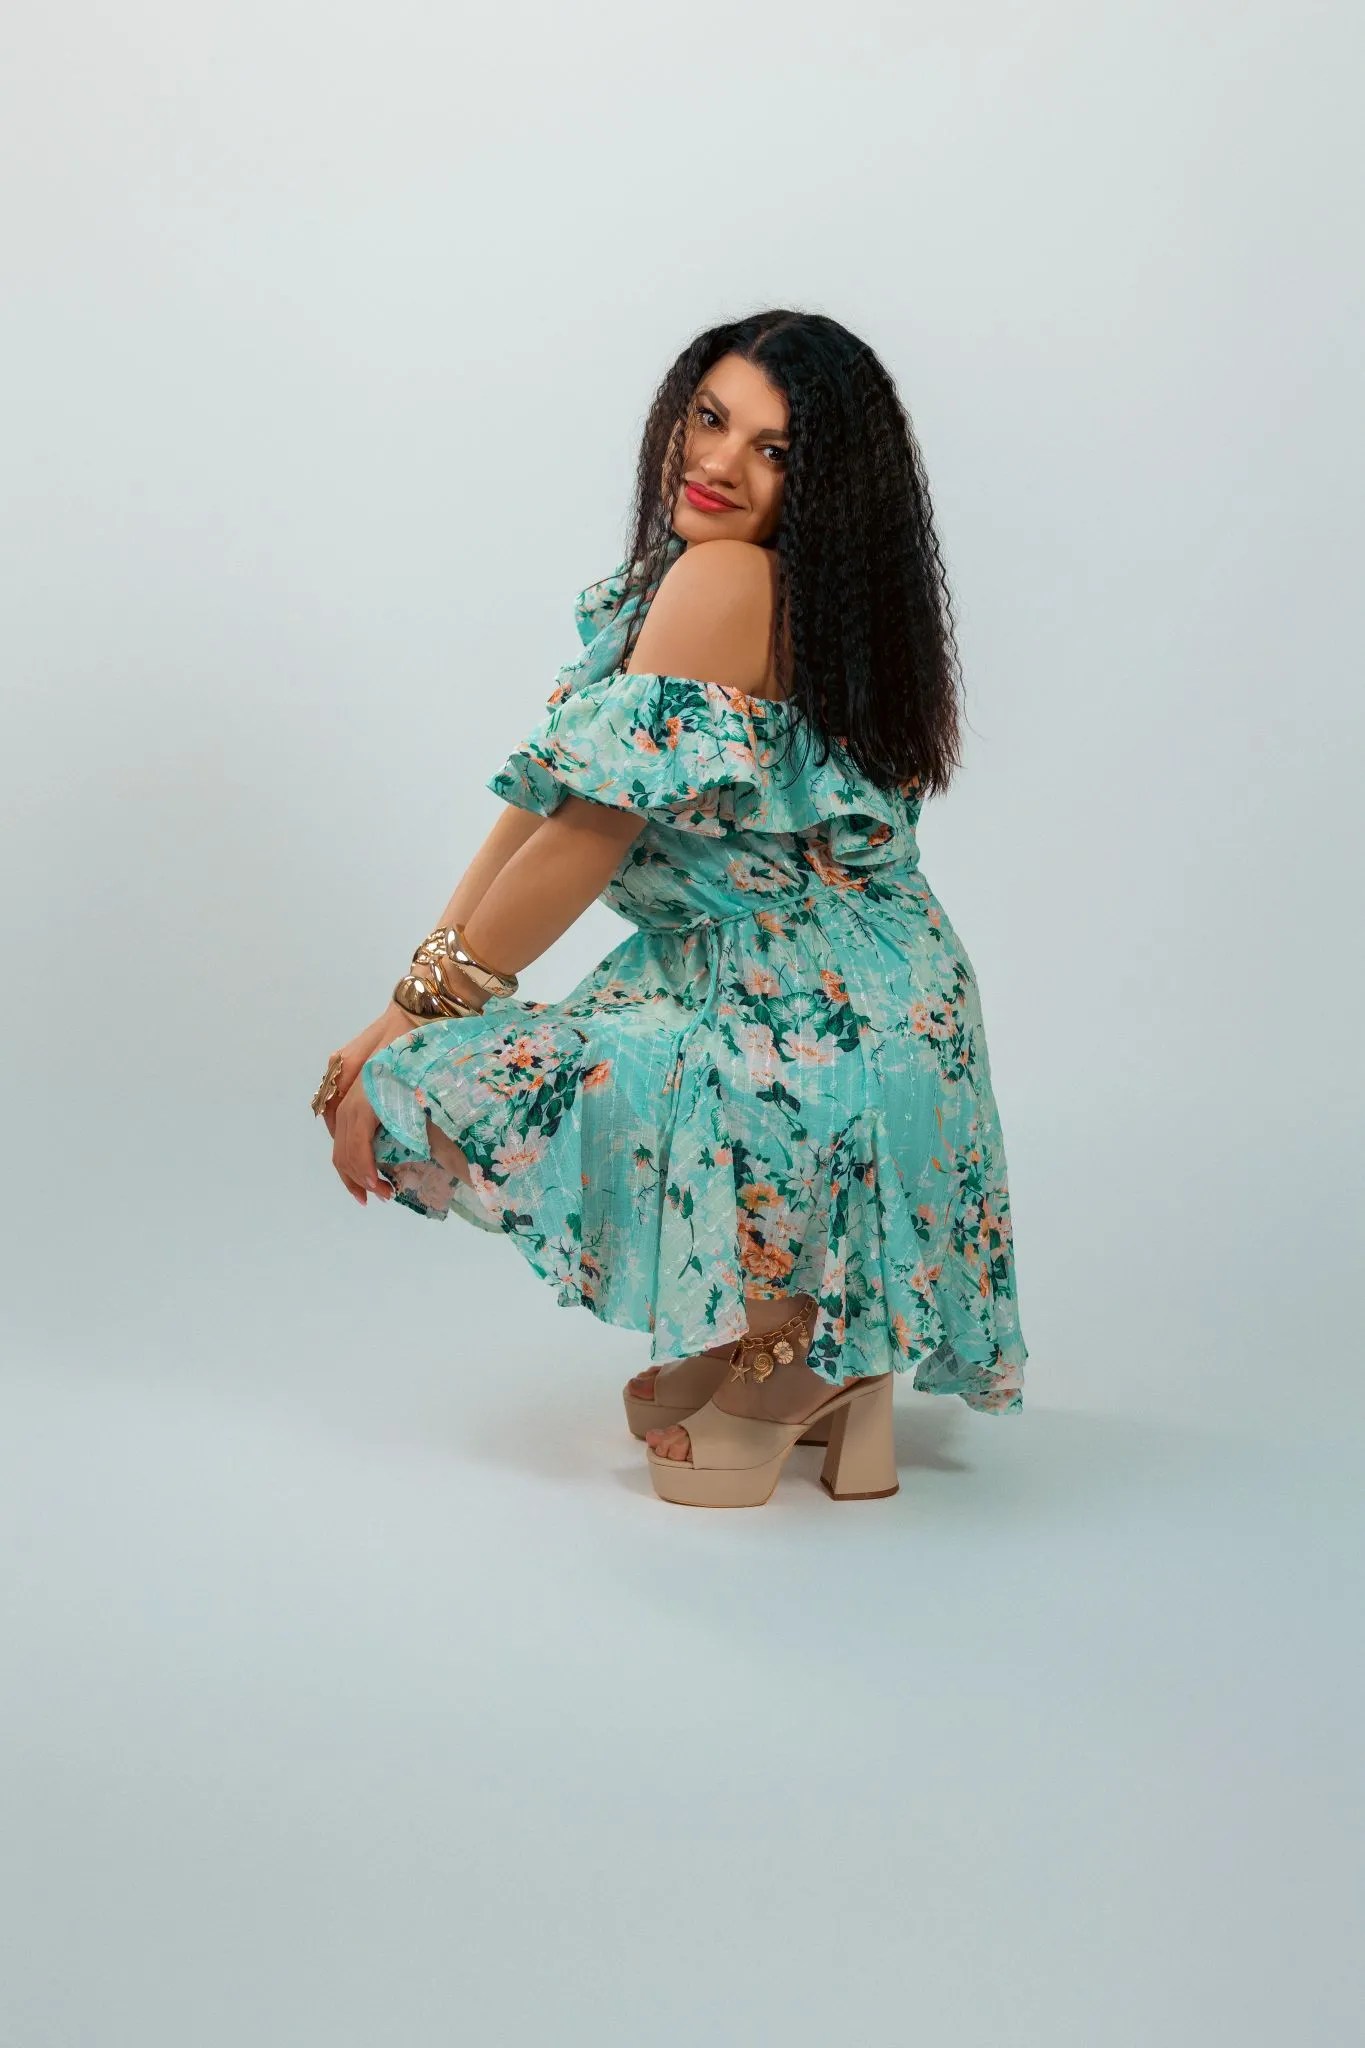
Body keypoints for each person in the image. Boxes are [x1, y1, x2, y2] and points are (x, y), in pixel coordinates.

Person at [313, 308, 1029, 1509]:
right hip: (800, 982)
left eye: (775, 450)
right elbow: (548, 800)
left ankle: (799, 1344)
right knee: (452, 1066)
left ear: (826, 486)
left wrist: (409, 1021)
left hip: (829, 1010)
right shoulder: (712, 584)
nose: (718, 463)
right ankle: (797, 1338)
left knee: (421, 1094)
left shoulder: (731, 581)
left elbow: (589, 840)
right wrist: (417, 985)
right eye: (709, 417)